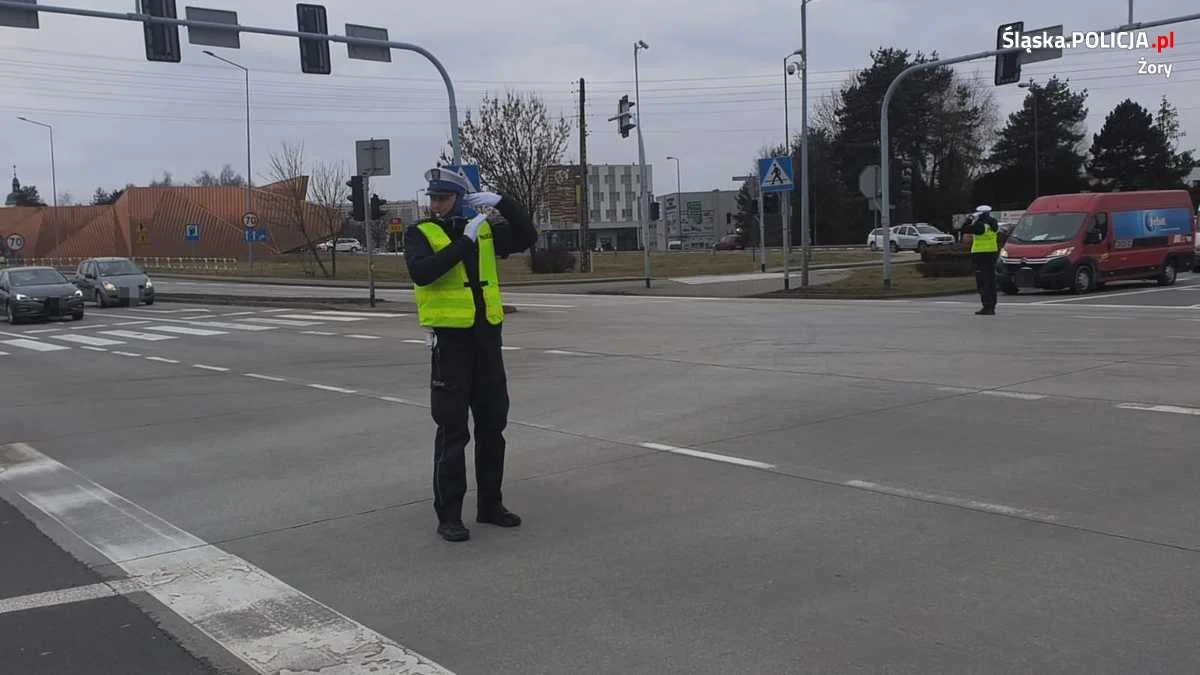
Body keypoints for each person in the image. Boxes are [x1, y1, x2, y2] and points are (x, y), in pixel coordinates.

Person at [404, 166, 538, 542]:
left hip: (486, 340)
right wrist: (462, 243)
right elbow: (423, 273)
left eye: (443, 198)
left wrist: (504, 204)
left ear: (460, 200)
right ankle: (449, 515)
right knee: (452, 430)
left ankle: (490, 506)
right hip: (451, 344)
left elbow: (528, 236)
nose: (436, 205)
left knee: (493, 426)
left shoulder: (483, 232)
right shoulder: (421, 233)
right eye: (433, 198)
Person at [963, 204, 1000, 315]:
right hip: (992, 253)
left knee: (983, 281)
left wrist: (970, 219)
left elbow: (965, 228)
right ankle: (992, 305)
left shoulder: (980, 226)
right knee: (991, 280)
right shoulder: (993, 224)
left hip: (981, 255)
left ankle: (986, 305)